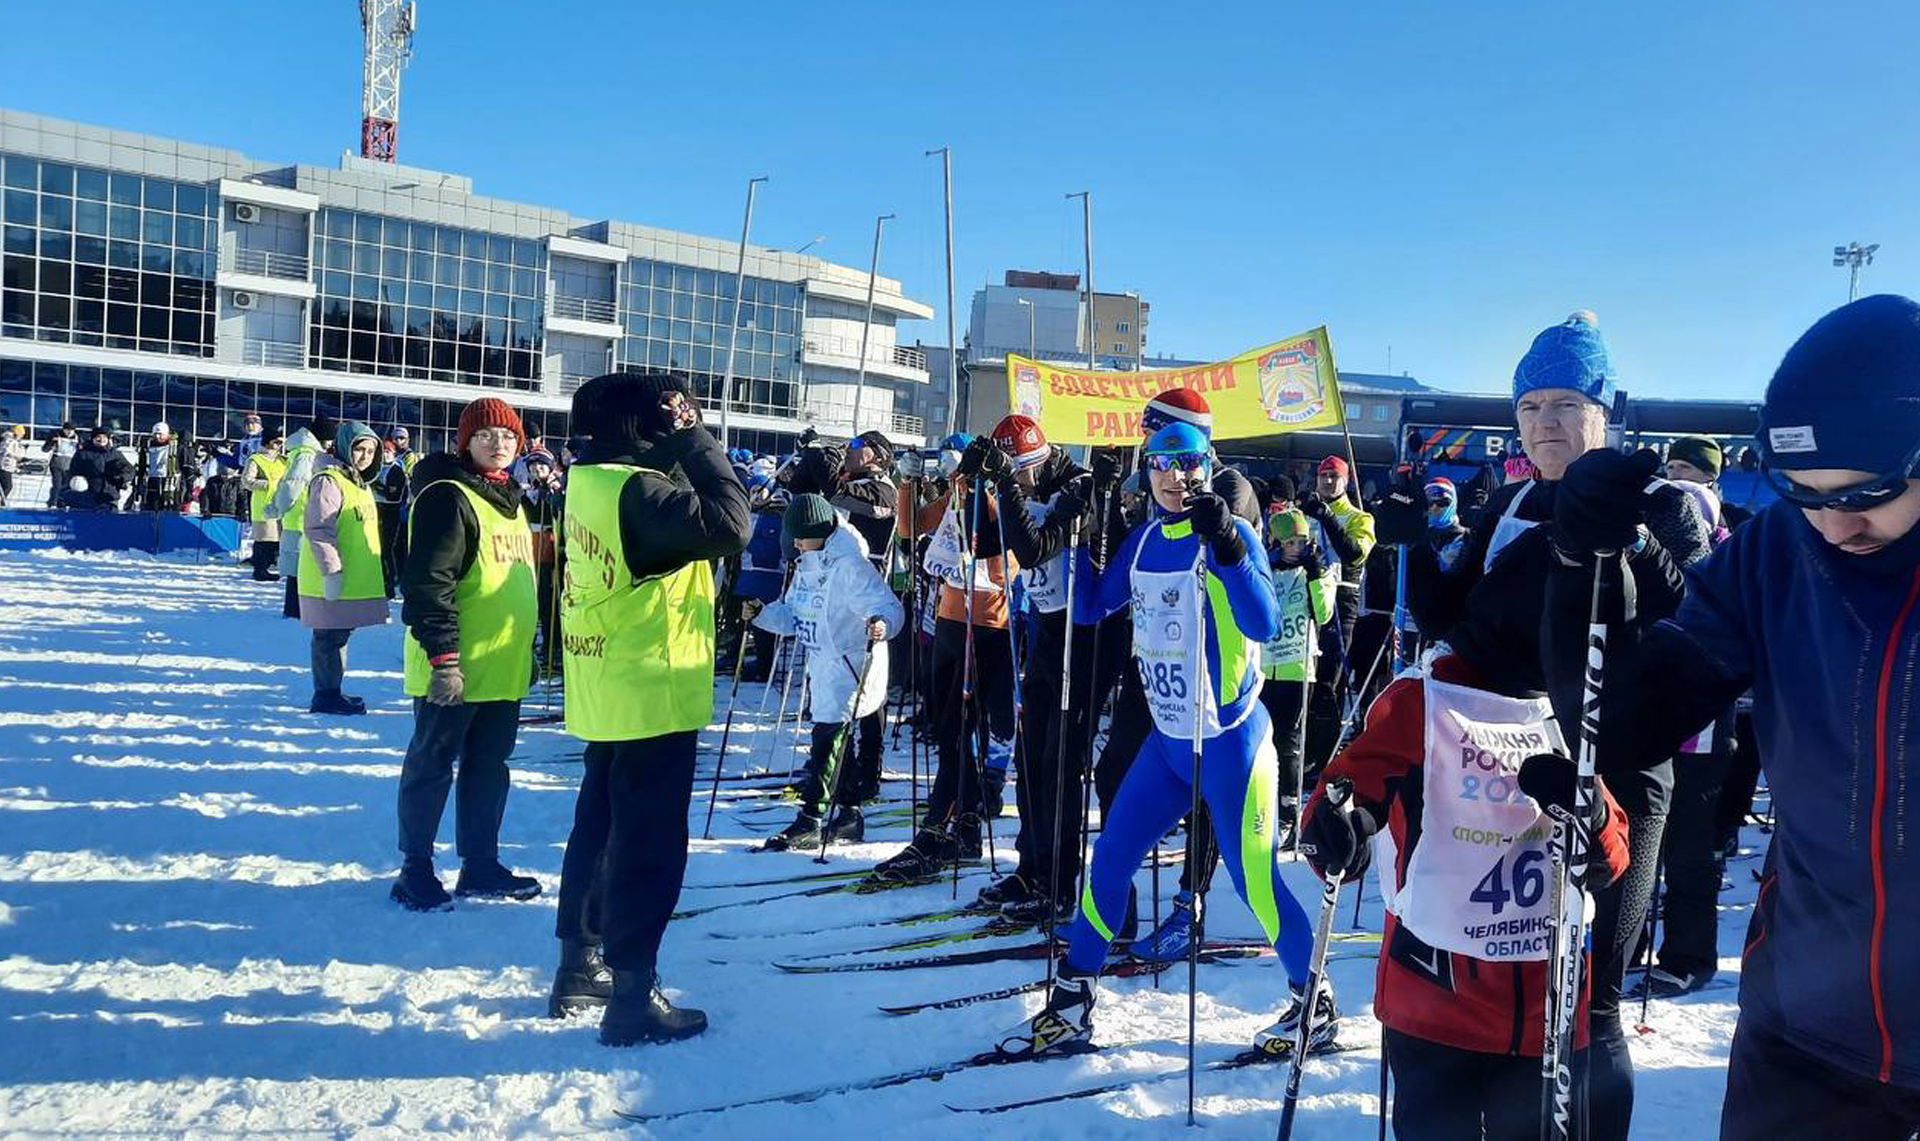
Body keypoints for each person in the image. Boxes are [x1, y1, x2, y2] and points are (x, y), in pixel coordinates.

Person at [1546, 295, 1920, 1141]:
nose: (1836, 523)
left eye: (1867, 492)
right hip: (1808, 1018)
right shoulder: (1777, 550)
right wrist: (1581, 563)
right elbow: (1629, 718)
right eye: (1803, 492)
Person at [998, 420, 1327, 1060]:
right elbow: (1090, 606)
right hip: (1170, 741)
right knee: (1110, 860)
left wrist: (1228, 546)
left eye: (1189, 463)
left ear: (1208, 465)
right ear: (1147, 472)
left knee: (1255, 882)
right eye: (1162, 465)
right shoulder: (1147, 538)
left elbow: (1263, 622)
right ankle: (1072, 998)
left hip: (1231, 742)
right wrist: (1084, 530)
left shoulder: (1232, 533)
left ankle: (1314, 1001)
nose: (1176, 477)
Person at [1296, 598, 1633, 1141]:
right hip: (1436, 1001)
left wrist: (1592, 817)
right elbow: (1342, 797)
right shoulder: (1423, 695)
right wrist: (1340, 829)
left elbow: (1613, 854)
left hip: (1543, 1010)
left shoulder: (1567, 700)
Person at [547, 372, 750, 1045]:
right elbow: (732, 523)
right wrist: (694, 436)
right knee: (647, 847)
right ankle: (633, 993)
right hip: (652, 685)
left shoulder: (592, 480)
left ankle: (579, 963)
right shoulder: (638, 489)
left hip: (609, 678)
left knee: (600, 827)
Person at [391, 398, 542, 912]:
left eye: (508, 435)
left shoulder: (511, 500)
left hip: (501, 666)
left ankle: (480, 864)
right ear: (465, 442)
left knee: (488, 767)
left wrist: (526, 648)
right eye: (486, 435)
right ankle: (415, 869)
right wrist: (443, 659)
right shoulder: (448, 496)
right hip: (454, 666)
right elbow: (428, 584)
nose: (499, 443)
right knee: (432, 765)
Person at [867, 436, 1021, 884]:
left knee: (962, 732)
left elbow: (1001, 563)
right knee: (947, 730)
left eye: (965, 472)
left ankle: (942, 827)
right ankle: (963, 826)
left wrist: (978, 494)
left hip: (987, 628)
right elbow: (910, 527)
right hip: (948, 623)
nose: (958, 478)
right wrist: (908, 482)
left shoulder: (994, 498)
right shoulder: (956, 493)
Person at [969, 415, 1094, 922]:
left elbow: (1033, 547)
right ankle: (1031, 867)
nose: (1018, 482)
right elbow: (985, 543)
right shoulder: (1020, 486)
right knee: (1030, 760)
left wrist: (1004, 483)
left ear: (1039, 462)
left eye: (1020, 472)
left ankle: (1058, 883)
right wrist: (974, 482)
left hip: (1082, 640)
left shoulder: (1079, 486)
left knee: (1058, 767)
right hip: (1043, 633)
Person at [752, 493, 902, 850]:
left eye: (800, 537)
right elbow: (793, 616)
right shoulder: (808, 564)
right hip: (822, 665)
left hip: (851, 665)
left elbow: (889, 607)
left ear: (818, 532)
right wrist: (761, 613)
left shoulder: (851, 567)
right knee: (837, 745)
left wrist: (881, 623)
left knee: (827, 742)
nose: (796, 545)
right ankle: (849, 813)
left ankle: (811, 817)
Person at [298, 421, 391, 715]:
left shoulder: (356, 482)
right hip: (330, 575)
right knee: (329, 636)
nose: (364, 456)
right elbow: (319, 529)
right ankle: (326, 695)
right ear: (344, 447)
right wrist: (331, 571)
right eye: (359, 449)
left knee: (338, 635)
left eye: (370, 451)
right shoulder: (329, 480)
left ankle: (331, 690)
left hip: (350, 576)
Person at [1300, 453, 1377, 780]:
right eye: (1324, 476)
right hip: (1304, 599)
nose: (1328, 482)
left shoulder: (1360, 517)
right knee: (1304, 679)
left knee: (1328, 682)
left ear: (1346, 481)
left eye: (1335, 477)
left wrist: (1328, 517)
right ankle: (1303, 751)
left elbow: (1354, 554)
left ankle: (1325, 758)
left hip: (1341, 601)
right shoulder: (1307, 512)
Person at [267, 416, 339, 619]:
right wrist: (280, 507)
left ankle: (297, 608)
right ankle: (296, 609)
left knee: (299, 565)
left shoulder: (303, 451)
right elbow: (293, 485)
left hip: (300, 516)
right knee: (300, 566)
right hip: (301, 516)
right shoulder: (307, 455)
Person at [241, 431, 288, 581]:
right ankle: (260, 569)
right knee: (264, 539)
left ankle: (270, 565)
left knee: (277, 538)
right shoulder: (256, 459)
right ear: (268, 442)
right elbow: (247, 481)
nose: (279, 445)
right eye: (276, 442)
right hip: (263, 504)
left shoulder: (283, 460)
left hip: (280, 504)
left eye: (281, 443)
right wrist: (268, 484)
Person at [64, 427, 131, 510]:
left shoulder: (115, 454)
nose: (101, 439)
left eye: (104, 437)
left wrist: (121, 478)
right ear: (93, 439)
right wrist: (74, 484)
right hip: (87, 497)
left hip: (109, 497)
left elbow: (129, 470)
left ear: (108, 439)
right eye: (98, 437)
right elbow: (72, 472)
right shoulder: (82, 454)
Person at [136, 421, 188, 513]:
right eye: (155, 434)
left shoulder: (177, 447)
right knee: (150, 507)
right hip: (151, 481)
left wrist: (188, 488)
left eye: (160, 434)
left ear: (167, 434)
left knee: (171, 507)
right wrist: (139, 484)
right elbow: (141, 467)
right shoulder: (147, 447)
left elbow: (185, 468)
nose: (157, 437)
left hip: (171, 483)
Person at [42, 422, 78, 508]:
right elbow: (44, 449)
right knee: (57, 484)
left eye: (71, 431)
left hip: (69, 465)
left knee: (66, 485)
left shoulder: (77, 438)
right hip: (56, 463)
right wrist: (51, 443)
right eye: (67, 430)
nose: (69, 432)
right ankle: (53, 503)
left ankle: (62, 502)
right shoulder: (56, 436)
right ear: (63, 430)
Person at [0, 423, 19, 506]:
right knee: (8, 486)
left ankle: (2, 502)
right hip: (5, 466)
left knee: (4, 486)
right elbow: (7, 452)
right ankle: (2, 503)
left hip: (6, 465)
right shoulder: (10, 441)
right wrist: (17, 456)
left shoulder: (6, 439)